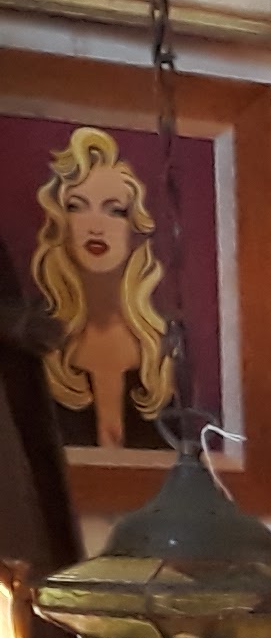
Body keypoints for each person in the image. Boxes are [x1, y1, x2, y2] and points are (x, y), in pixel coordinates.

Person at [30, 127, 177, 454]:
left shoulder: (165, 345)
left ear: (136, 229)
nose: (96, 225)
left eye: (115, 210)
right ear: (59, 221)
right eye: (77, 206)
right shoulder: (33, 340)